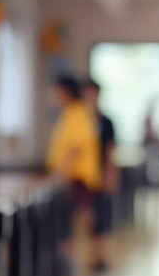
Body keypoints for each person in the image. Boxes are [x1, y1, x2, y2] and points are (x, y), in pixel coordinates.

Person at [46, 75, 101, 274]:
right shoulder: (70, 113)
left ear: (64, 92)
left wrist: (60, 174)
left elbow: (76, 147)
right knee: (74, 219)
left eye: (54, 90)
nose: (51, 95)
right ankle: (76, 257)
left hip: (77, 177)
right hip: (73, 177)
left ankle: (90, 257)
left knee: (81, 218)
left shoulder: (77, 112)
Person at [83, 79, 119, 274]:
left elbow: (110, 150)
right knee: (89, 219)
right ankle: (93, 255)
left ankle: (102, 256)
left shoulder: (106, 123)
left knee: (103, 218)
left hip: (101, 177)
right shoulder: (81, 121)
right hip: (86, 179)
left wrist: (111, 175)